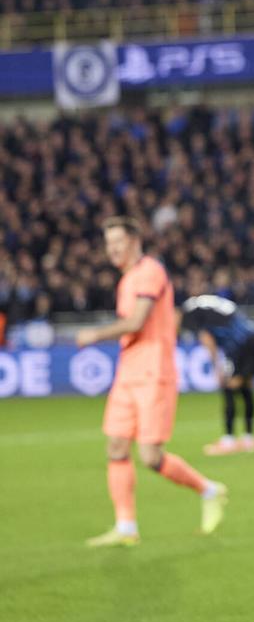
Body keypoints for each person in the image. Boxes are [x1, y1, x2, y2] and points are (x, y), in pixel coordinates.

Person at [75, 217, 227, 547]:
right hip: (128, 370)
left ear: (134, 241)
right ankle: (126, 527)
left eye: (117, 241)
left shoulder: (150, 271)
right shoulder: (127, 280)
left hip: (153, 372)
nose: (111, 249)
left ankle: (210, 490)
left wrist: (95, 334)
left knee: (150, 457)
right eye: (108, 243)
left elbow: (137, 320)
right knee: (115, 445)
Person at [178, 294, 254, 455]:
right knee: (246, 387)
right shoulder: (204, 302)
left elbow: (207, 339)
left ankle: (229, 440)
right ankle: (248, 439)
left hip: (239, 343)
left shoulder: (190, 313)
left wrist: (217, 367)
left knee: (228, 387)